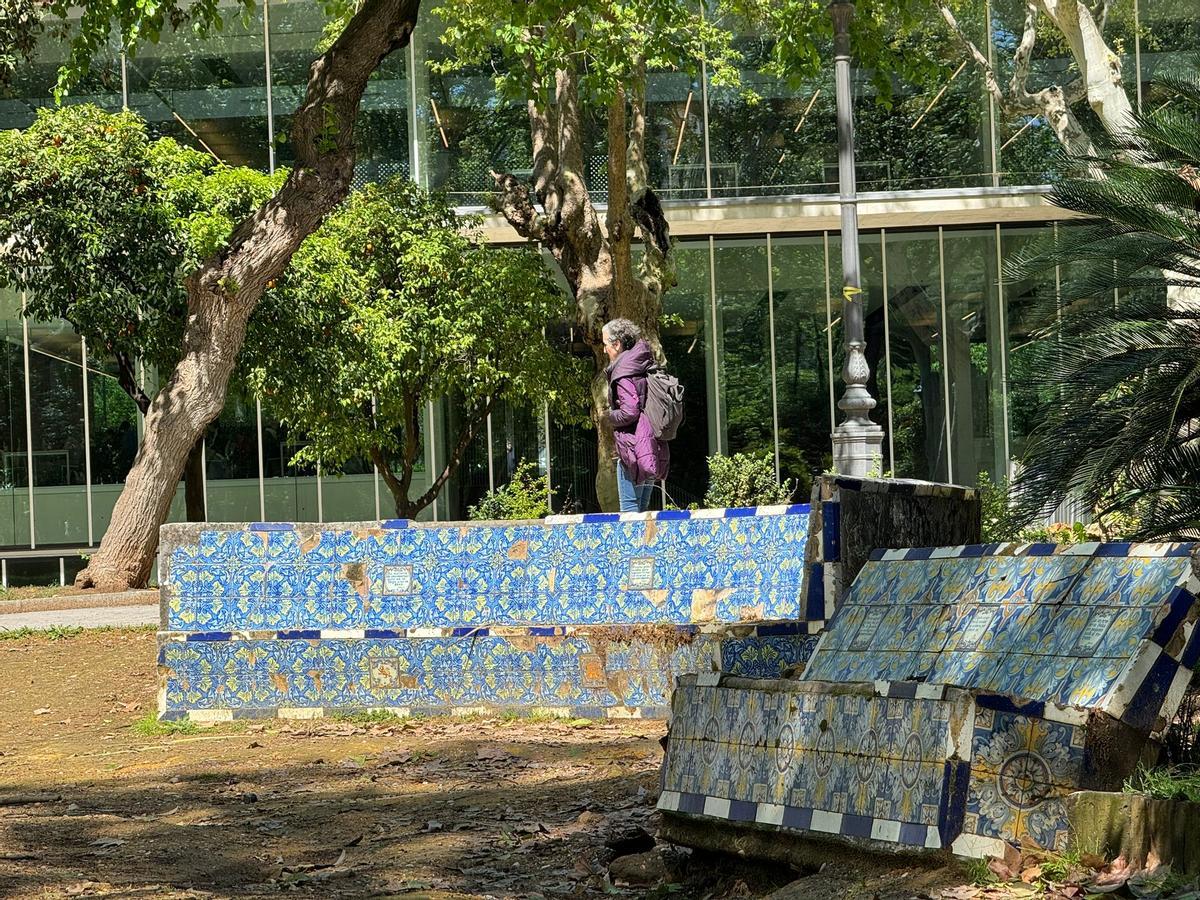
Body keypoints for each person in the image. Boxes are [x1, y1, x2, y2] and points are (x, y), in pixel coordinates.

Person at [602, 318, 669, 512]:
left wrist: (609, 417)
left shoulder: (623, 371)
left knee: (630, 510)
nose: (604, 349)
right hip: (650, 443)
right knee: (642, 508)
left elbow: (630, 410)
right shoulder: (642, 362)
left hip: (633, 447)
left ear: (617, 344)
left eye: (605, 344)